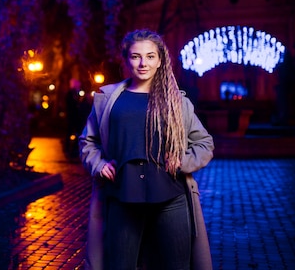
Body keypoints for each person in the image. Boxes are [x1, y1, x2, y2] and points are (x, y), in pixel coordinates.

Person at [79, 29, 214, 270]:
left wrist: (183, 162)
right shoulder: (107, 99)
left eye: (150, 56)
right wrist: (99, 164)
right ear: (126, 59)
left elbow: (204, 143)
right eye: (136, 56)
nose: (143, 63)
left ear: (160, 60)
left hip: (171, 197)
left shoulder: (177, 102)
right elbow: (88, 142)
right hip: (122, 197)